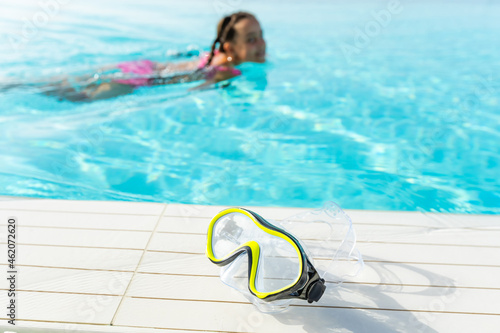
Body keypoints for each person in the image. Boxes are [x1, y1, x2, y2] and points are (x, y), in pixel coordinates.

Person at [3, 11, 266, 102]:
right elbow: (195, 91)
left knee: (52, 82)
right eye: (251, 39)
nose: (261, 44)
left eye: (260, 35)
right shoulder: (226, 70)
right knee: (74, 97)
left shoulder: (211, 54)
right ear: (230, 49)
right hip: (138, 80)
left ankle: (11, 83)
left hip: (137, 67)